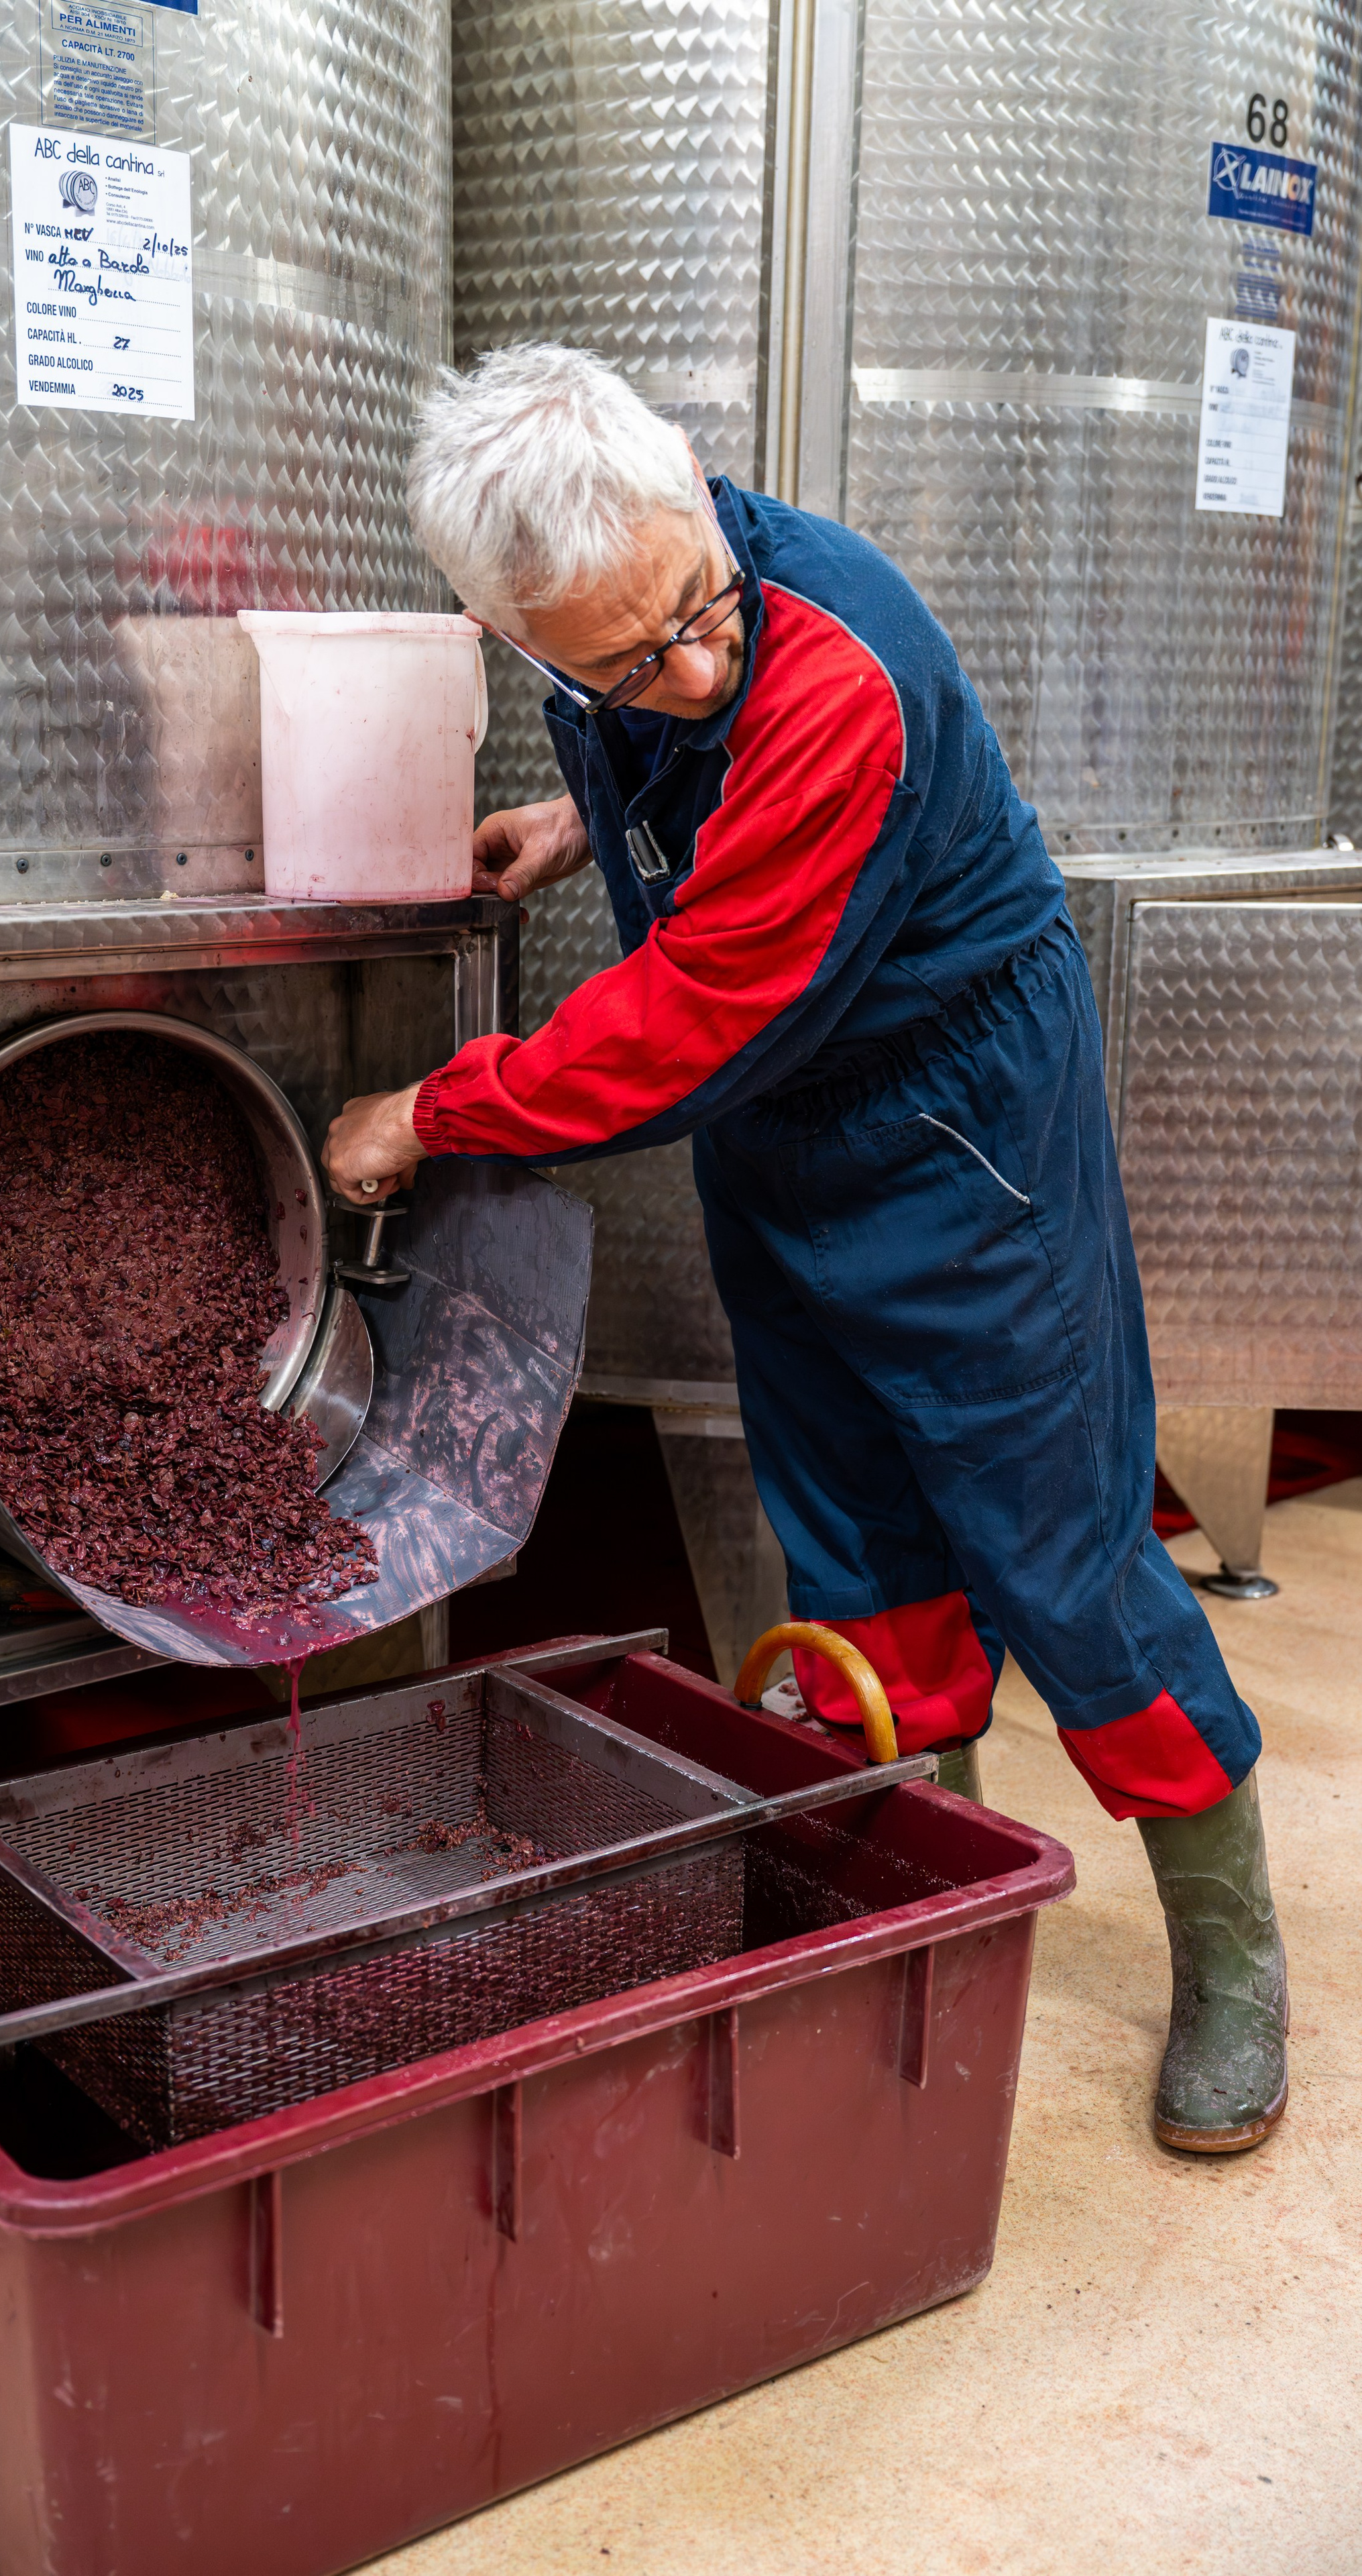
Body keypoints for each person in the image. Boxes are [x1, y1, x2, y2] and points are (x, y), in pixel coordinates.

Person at [321, 344, 1287, 2155]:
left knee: (1061, 1549)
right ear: (520, 637)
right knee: (847, 1521)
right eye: (614, 662)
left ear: (693, 477)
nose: (686, 665)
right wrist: (578, 823)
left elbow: (691, 1016)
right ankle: (935, 1891)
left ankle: (1229, 1952)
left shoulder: (838, 672)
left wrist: (431, 1112)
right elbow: (695, 811)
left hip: (954, 1126)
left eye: (697, 612)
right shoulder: (616, 630)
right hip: (791, 1132)